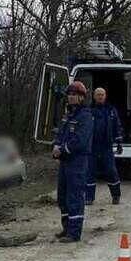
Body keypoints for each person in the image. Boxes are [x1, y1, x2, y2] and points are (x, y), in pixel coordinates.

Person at [52, 81, 93, 242]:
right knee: (62, 196)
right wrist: (56, 146)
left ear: (82, 97)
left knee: (74, 196)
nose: (70, 97)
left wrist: (62, 149)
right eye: (69, 94)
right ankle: (66, 227)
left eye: (74, 95)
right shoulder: (68, 115)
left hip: (77, 161)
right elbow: (61, 134)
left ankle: (74, 232)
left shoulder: (86, 116)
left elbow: (80, 140)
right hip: (65, 161)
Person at [85, 86, 123, 205]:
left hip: (106, 146)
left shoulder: (111, 110)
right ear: (94, 96)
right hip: (92, 147)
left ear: (105, 96)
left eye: (102, 94)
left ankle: (116, 195)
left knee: (111, 171)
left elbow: (117, 126)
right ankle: (89, 198)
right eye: (98, 94)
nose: (100, 96)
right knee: (89, 172)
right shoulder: (88, 111)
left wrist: (119, 142)